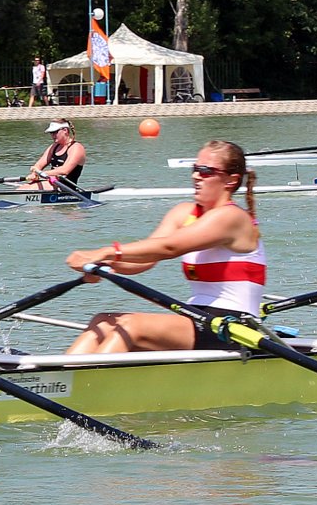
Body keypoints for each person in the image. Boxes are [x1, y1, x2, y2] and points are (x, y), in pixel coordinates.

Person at [62, 140, 265, 353]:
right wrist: (104, 265)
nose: (196, 176)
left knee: (130, 326)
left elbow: (169, 248)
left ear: (231, 180)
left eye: (206, 171)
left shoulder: (232, 217)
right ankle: (62, 372)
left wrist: (106, 252)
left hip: (234, 326)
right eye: (195, 169)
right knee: (103, 321)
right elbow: (145, 260)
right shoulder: (184, 213)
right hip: (197, 317)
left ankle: (90, 374)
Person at [22, 119, 86, 196]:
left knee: (29, 188)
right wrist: (34, 173)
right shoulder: (54, 146)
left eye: (55, 132)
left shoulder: (76, 148)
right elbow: (38, 165)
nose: (53, 135)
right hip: (53, 183)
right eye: (51, 133)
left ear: (65, 130)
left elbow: (64, 171)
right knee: (24, 187)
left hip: (66, 187)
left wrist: (41, 174)